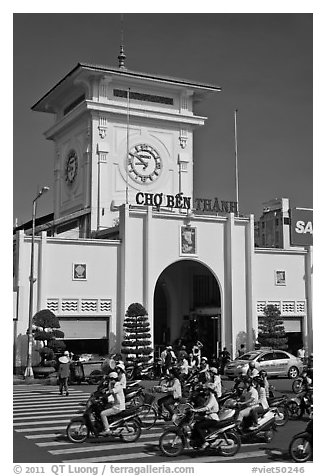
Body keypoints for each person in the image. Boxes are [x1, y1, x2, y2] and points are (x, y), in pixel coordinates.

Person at [191, 383, 220, 449]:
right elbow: (203, 406)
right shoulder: (209, 397)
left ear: (209, 390)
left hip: (212, 419)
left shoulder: (212, 398)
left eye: (206, 390)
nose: (204, 391)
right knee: (196, 424)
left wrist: (196, 411)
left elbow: (207, 408)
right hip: (208, 417)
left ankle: (205, 441)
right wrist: (194, 409)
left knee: (198, 426)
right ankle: (198, 441)